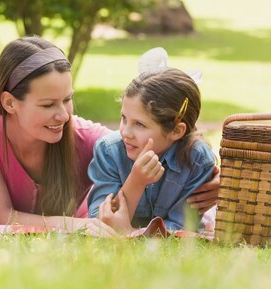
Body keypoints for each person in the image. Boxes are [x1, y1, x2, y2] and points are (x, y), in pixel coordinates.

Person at [0, 36, 219, 236]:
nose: (64, 115)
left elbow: (132, 145)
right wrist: (74, 225)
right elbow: (1, 216)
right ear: (10, 103)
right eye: (48, 105)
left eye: (67, 100)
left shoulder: (89, 139)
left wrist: (220, 185)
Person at [88, 68, 215, 233]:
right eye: (124, 118)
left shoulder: (197, 160)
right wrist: (136, 181)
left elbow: (181, 230)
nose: (125, 132)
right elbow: (100, 224)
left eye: (139, 124)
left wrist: (130, 233)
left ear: (176, 131)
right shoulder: (109, 151)